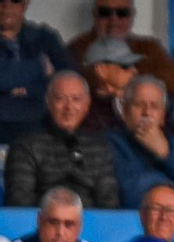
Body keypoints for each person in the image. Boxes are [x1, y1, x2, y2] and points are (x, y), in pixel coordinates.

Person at [4, 72, 120, 209]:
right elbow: (20, 203)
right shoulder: (25, 146)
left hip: (91, 225)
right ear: (48, 102)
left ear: (87, 104)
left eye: (76, 99)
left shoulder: (99, 147)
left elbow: (109, 204)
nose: (69, 107)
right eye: (60, 99)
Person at [106, 75, 174, 208]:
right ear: (125, 112)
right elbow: (132, 193)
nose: (147, 112)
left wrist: (166, 154)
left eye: (154, 106)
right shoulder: (111, 143)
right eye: (139, 105)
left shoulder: (173, 142)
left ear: (162, 116)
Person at [0, 0, 76, 145]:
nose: (7, 6)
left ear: (25, 4)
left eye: (15, 0)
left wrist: (26, 89)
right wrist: (39, 67)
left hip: (40, 123)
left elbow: (68, 80)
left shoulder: (45, 38)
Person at [70, 2, 174, 98]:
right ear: (95, 15)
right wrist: (107, 79)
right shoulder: (78, 46)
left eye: (122, 13)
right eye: (105, 12)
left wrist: (130, 79)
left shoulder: (149, 47)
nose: (113, 19)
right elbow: (64, 80)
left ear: (131, 16)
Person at [80, 35, 142, 133]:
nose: (134, 70)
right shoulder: (85, 109)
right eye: (125, 65)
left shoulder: (142, 98)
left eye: (134, 65)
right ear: (102, 70)